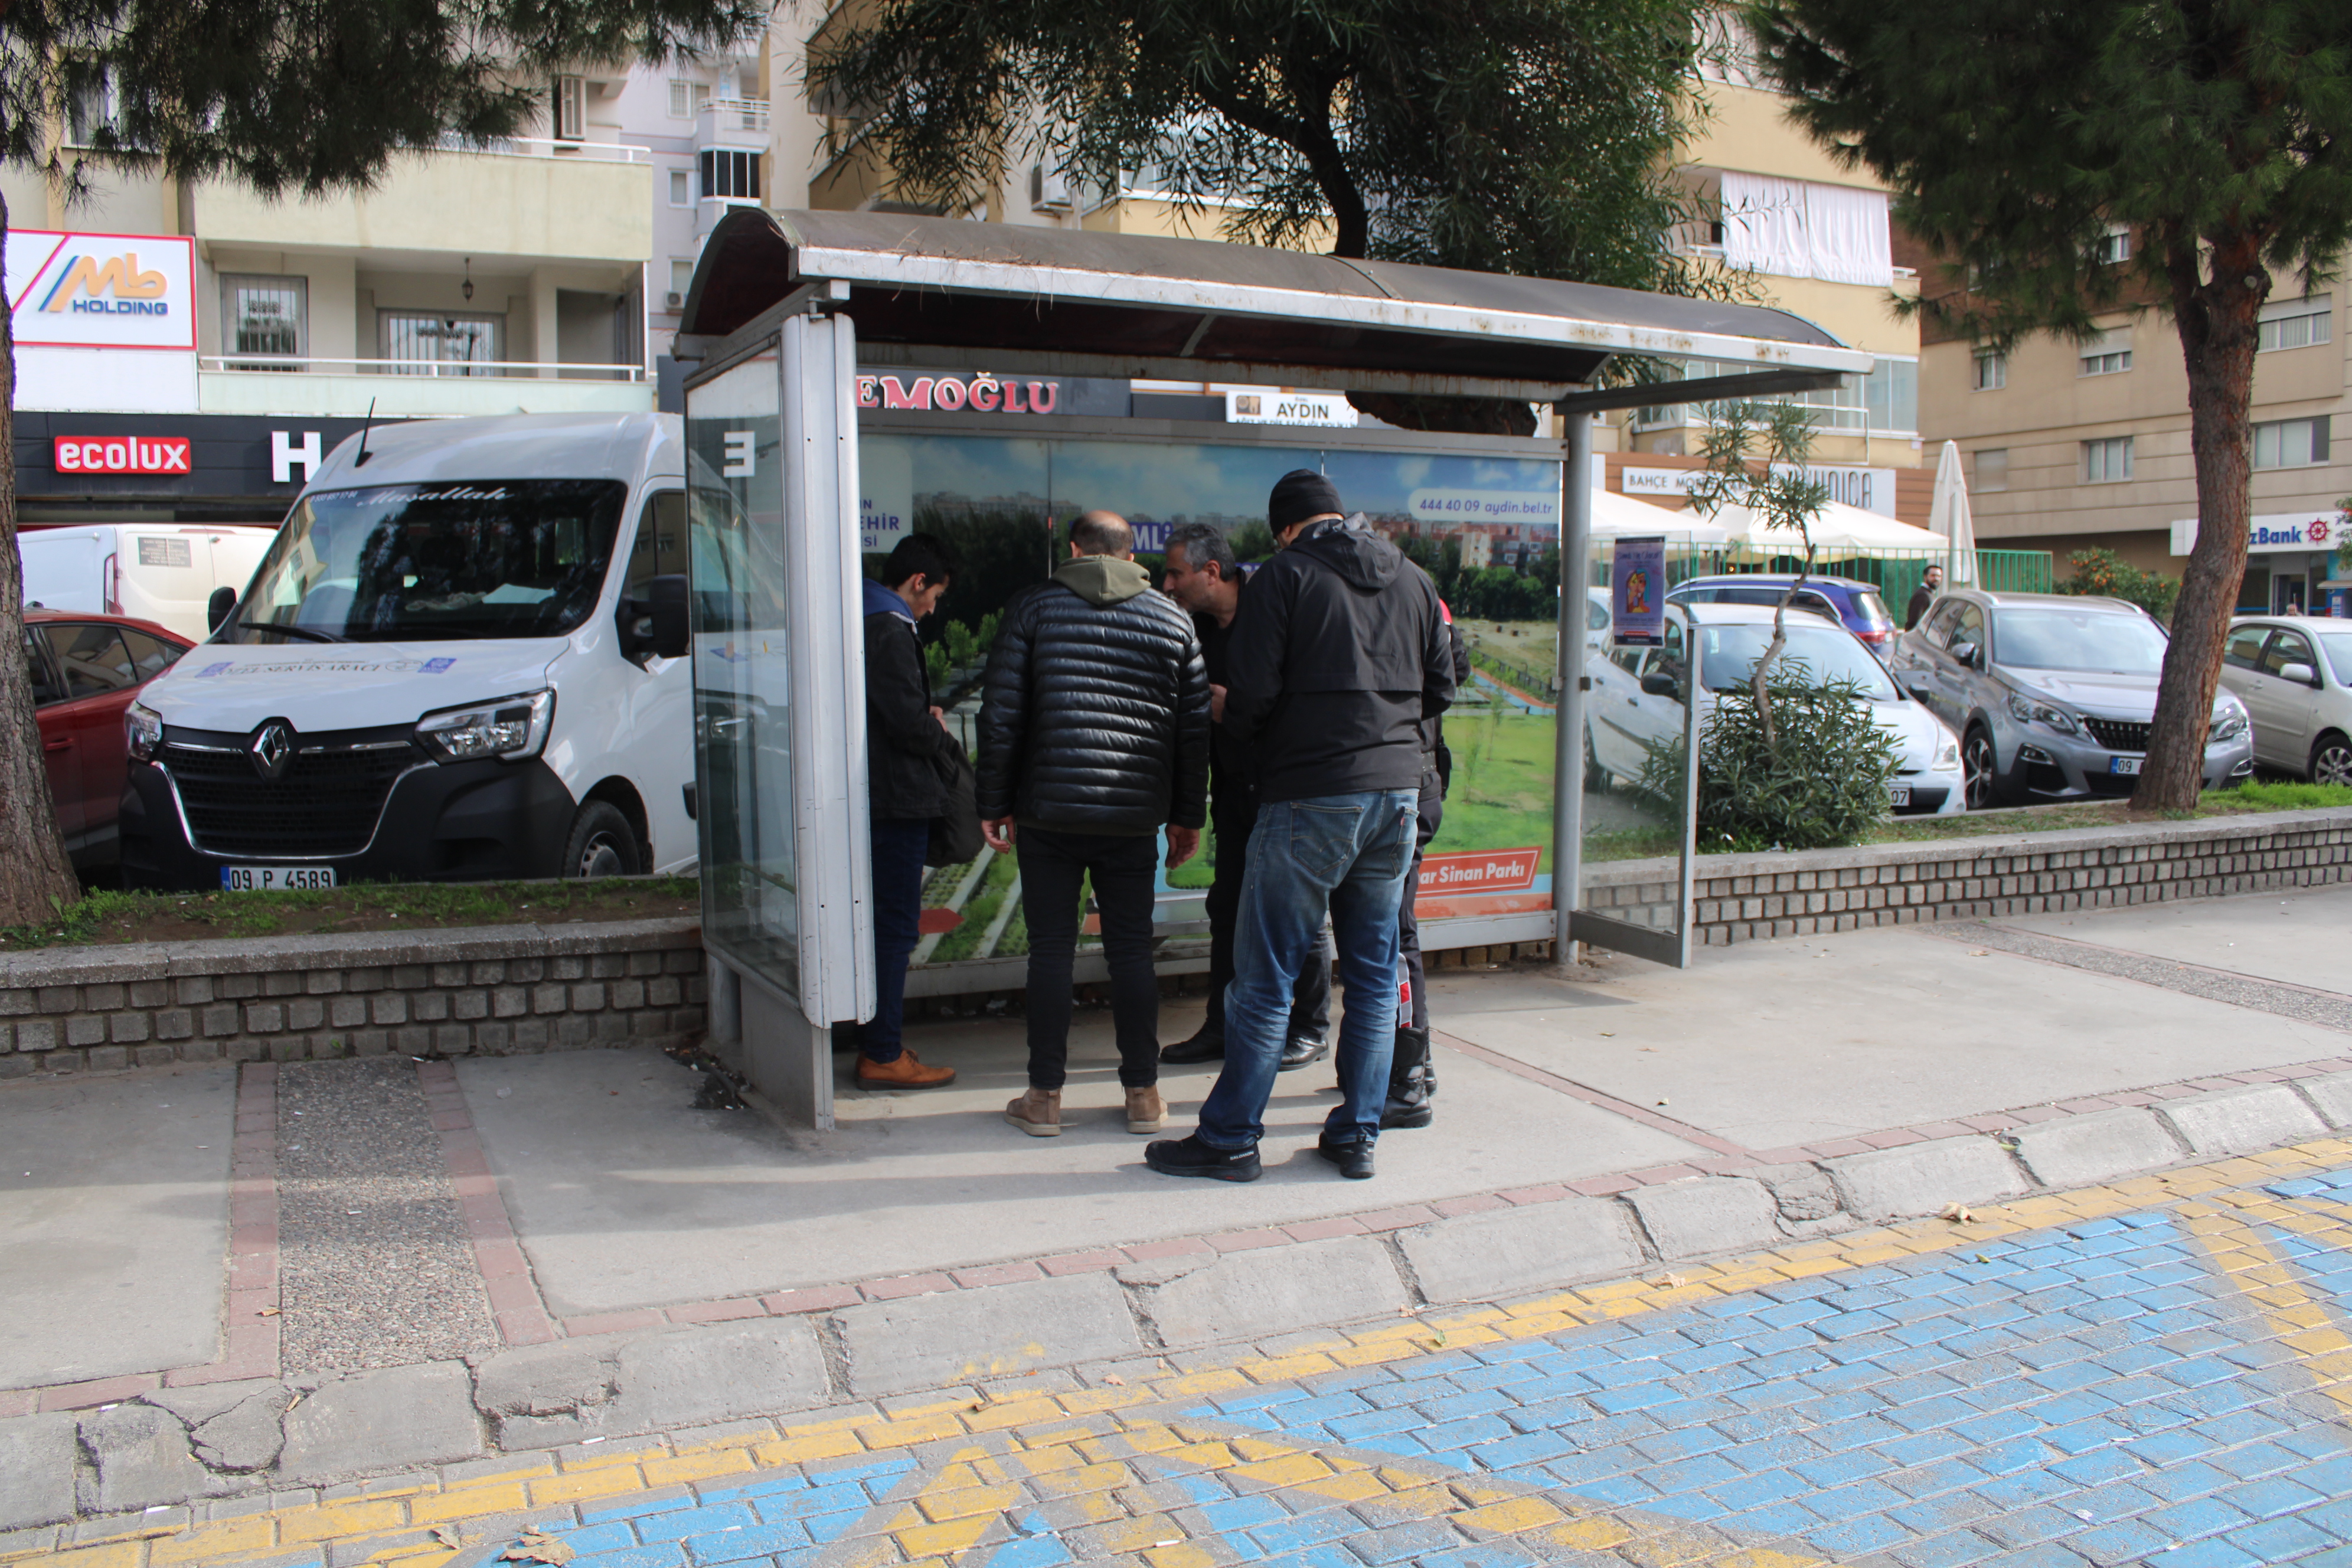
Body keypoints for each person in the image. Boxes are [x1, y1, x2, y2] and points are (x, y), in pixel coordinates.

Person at [1146, 472, 1454, 1184]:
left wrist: (1230, 710)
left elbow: (1251, 700)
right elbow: (1441, 685)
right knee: (1376, 976)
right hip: (1396, 795)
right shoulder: (1411, 577)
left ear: (1285, 528)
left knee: (1265, 975)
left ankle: (1229, 1137)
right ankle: (1357, 1133)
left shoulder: (1286, 578)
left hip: (1311, 794)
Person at [976, 510, 1210, 1138]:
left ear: (1074, 549)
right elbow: (1192, 733)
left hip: (1049, 811)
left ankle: (1045, 1099)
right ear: (1132, 554)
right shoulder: (1172, 618)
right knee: (1131, 951)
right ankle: (1143, 1095)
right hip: (1133, 818)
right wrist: (1188, 816)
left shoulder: (1032, 609)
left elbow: (1000, 716)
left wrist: (993, 802)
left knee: (1051, 950)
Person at [1157, 522, 1333, 1073]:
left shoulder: (1277, 608)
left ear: (1212, 572)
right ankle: (1222, 1025)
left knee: (1295, 913)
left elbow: (1307, 704)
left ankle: (1308, 1029)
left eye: (1176, 573)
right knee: (1227, 908)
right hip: (1234, 793)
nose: (1168, 585)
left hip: (1287, 792)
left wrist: (1233, 709)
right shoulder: (1195, 631)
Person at [855, 533, 962, 1090]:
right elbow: (904, 721)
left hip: (880, 796)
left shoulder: (867, 616)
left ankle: (881, 1037)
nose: (933, 608)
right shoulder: (891, 629)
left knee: (883, 925)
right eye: (935, 596)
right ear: (918, 583)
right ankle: (883, 1051)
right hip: (897, 801)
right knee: (896, 929)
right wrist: (937, 731)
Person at [1386, 597, 1471, 1129]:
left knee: (1395, 935)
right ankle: (1405, 1062)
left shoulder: (1408, 602)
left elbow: (1449, 676)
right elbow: (1451, 674)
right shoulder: (1421, 600)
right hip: (1417, 780)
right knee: (1390, 935)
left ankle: (1410, 1071)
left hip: (1406, 784)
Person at [1905, 564, 1944, 630]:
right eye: (1933, 576)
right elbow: (1915, 621)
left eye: (1939, 576)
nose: (1936, 579)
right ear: (1925, 577)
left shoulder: (1929, 594)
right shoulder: (1923, 595)